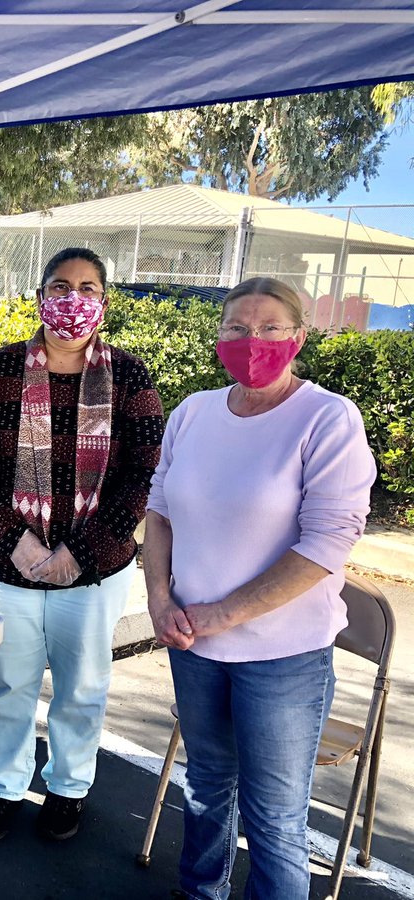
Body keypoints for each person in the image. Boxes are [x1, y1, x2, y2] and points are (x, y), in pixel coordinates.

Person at [143, 277, 375, 900]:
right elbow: (159, 510)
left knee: (274, 818)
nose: (253, 341)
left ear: (298, 336)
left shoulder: (328, 419)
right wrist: (159, 599)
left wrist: (220, 613)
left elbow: (326, 545)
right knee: (206, 786)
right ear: (218, 337)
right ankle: (200, 892)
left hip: (282, 660)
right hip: (193, 647)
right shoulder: (192, 413)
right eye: (237, 329)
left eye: (271, 327)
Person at [0, 248, 164, 842]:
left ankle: (68, 786)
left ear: (105, 300)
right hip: (6, 564)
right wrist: (13, 542)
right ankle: (5, 785)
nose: (74, 298)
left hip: (93, 569)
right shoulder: (1, 369)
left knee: (82, 684)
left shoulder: (130, 377)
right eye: (61, 286)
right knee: (9, 680)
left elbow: (144, 471)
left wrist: (81, 553)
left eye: (88, 287)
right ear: (41, 296)